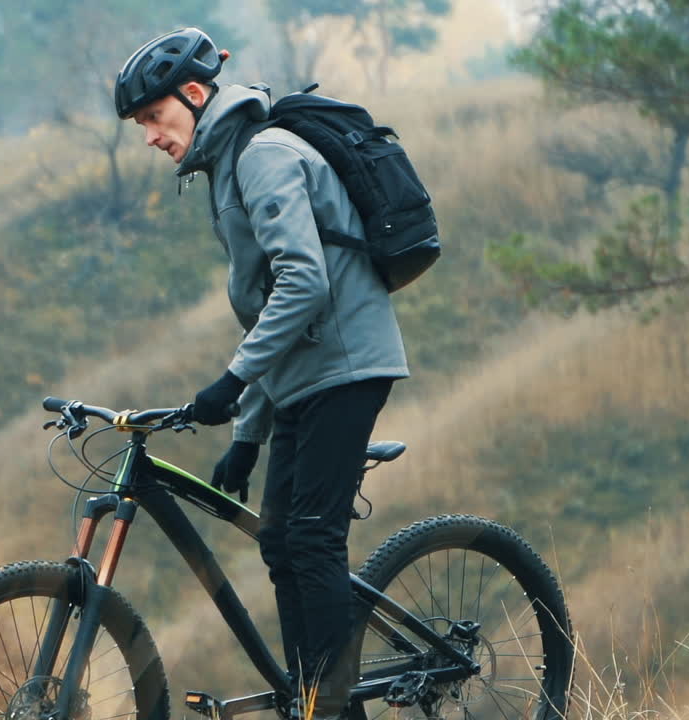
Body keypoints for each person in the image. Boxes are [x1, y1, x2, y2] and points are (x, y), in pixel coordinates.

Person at [114, 28, 410, 719]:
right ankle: (311, 698)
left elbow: (303, 283)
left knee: (311, 540)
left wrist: (231, 381)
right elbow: (266, 310)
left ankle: (332, 708)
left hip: (348, 364)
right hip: (304, 375)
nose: (150, 137)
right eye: (141, 126)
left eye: (154, 117)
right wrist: (248, 434)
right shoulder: (227, 167)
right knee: (280, 542)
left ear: (194, 94)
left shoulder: (263, 155)